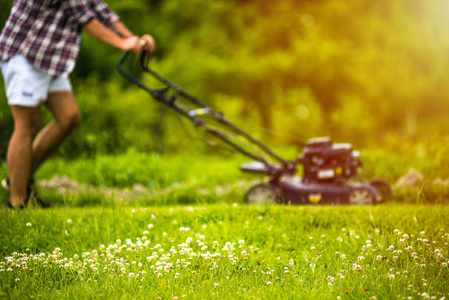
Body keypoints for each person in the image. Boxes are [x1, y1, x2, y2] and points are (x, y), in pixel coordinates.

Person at [0, 0, 155, 209]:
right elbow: (84, 18)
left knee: (69, 117)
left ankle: (17, 178)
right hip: (24, 53)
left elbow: (100, 10)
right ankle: (17, 202)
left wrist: (133, 39)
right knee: (26, 125)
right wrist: (122, 43)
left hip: (50, 59)